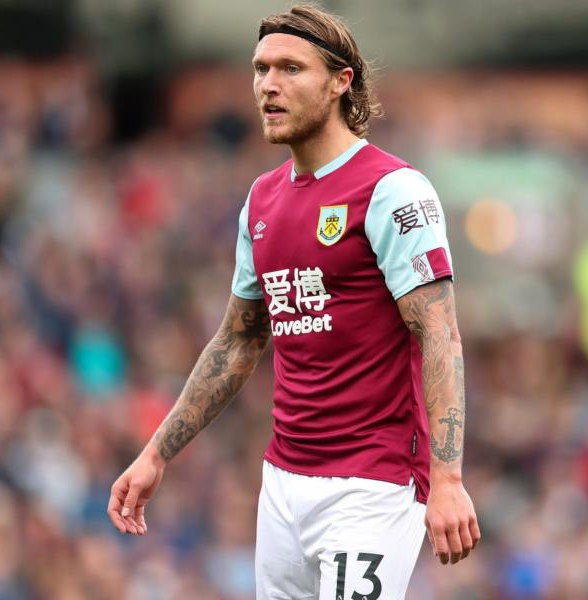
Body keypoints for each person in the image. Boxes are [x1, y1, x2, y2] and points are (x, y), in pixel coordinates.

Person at [108, 4, 480, 598]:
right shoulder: (261, 201)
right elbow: (237, 340)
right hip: (283, 484)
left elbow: (439, 334)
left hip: (372, 484)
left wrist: (449, 478)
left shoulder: (390, 190)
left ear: (341, 82)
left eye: (290, 69)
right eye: (260, 70)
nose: (268, 86)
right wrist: (157, 453)